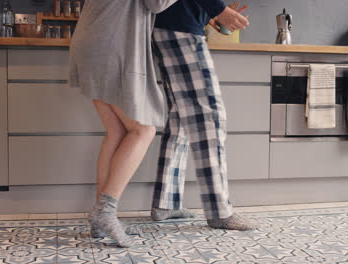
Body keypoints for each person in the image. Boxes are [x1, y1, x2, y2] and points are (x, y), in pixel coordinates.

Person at [68, 0, 177, 248]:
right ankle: (105, 211)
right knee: (143, 129)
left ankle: (101, 218)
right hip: (110, 44)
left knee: (117, 132)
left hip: (93, 41)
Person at [150, 0, 257, 230]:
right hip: (180, 28)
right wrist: (218, 9)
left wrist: (207, 15)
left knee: (180, 117)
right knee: (210, 117)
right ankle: (219, 211)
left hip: (170, 25)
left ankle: (166, 203)